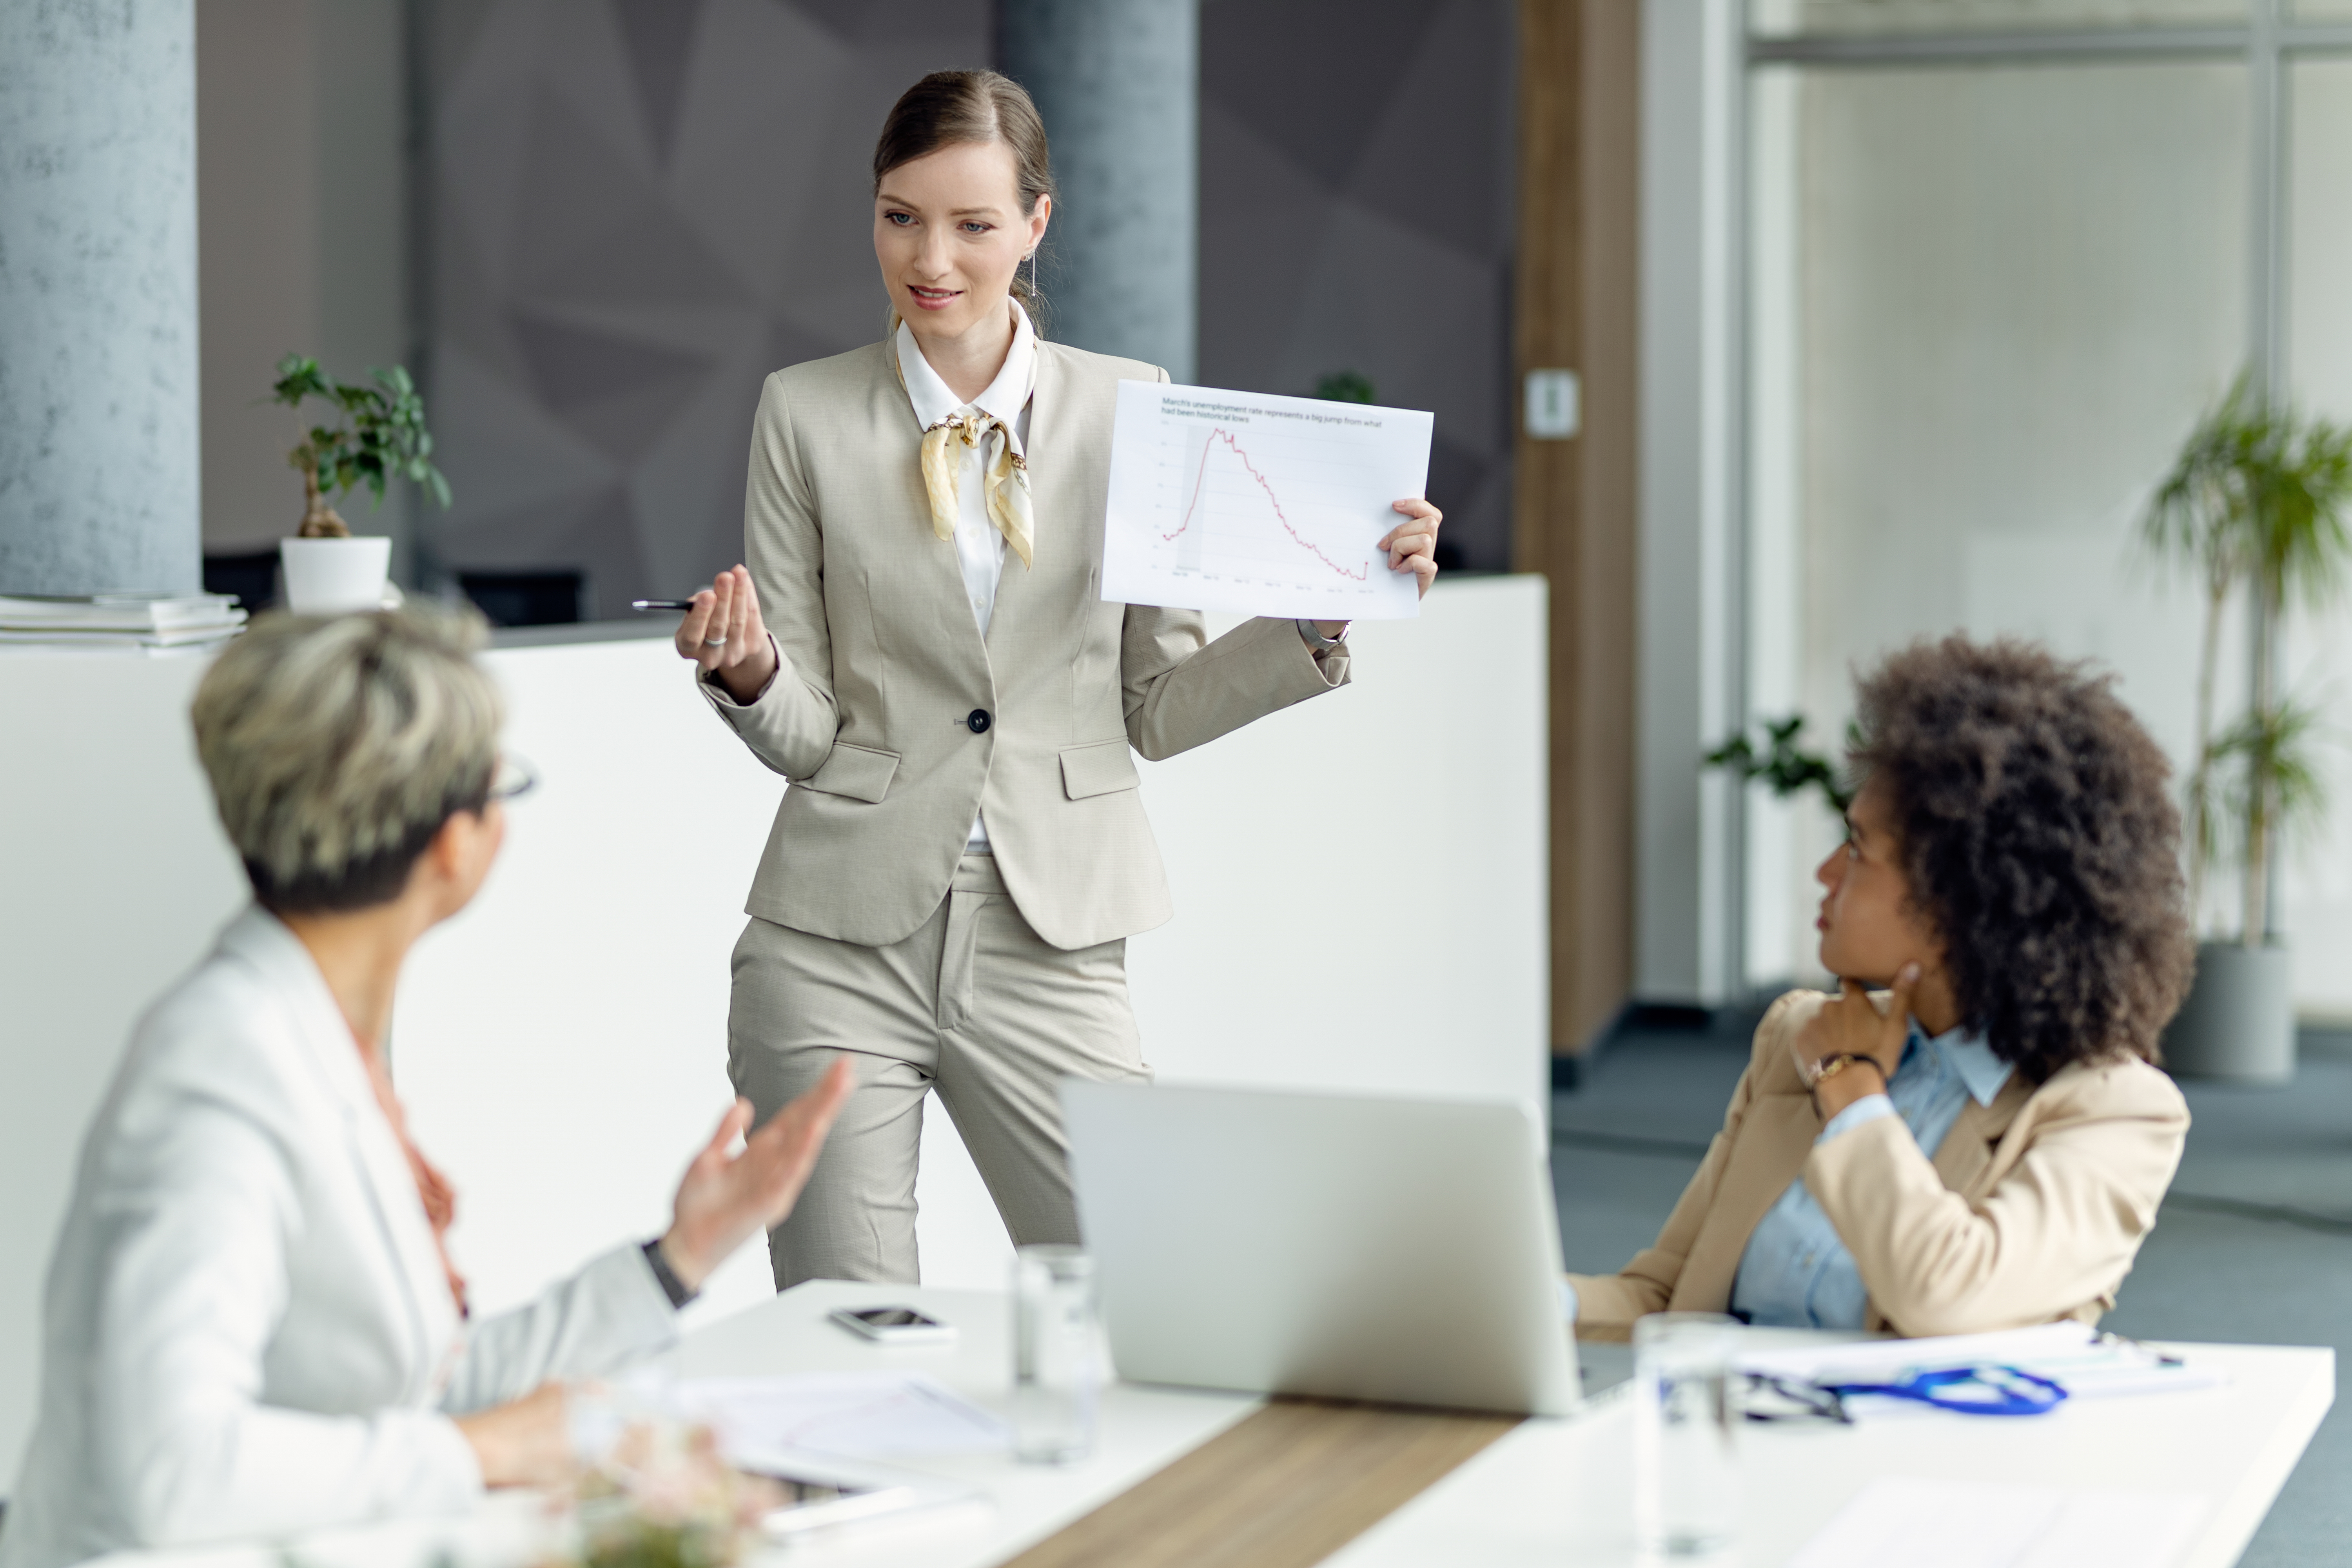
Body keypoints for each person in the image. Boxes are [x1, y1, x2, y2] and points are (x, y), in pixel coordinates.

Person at [670, 70, 1445, 1287]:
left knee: (1150, 1288)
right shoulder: (803, 415)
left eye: (974, 224)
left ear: (1037, 224)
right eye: (901, 216)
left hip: (1052, 933)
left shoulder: (1133, 406)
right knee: (848, 1342)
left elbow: (1157, 704)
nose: (932, 258)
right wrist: (756, 671)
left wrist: (1311, 616)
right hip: (832, 946)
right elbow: (812, 736)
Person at [0, 608, 855, 1568]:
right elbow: (172, 1466)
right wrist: (482, 1451)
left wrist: (680, 1256)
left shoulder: (317, 1033)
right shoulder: (220, 1075)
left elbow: (418, 1393)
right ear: (452, 844)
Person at [1568, 635, 2195, 1338]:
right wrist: (1526, 1303)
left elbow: (1946, 1292)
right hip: (1716, 1431)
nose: (1827, 873)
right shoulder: (1796, 1034)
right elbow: (1665, 1298)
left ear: (1961, 902)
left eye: (1860, 850)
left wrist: (1850, 1091)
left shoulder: (2112, 1111)